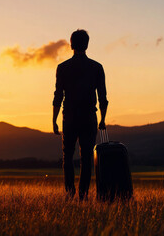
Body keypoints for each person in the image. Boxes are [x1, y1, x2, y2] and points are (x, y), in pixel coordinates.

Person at [52, 29, 108, 201]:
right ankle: (83, 195)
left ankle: (70, 194)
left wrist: (53, 120)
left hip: (69, 118)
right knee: (87, 158)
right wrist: (102, 120)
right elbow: (103, 98)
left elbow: (58, 96)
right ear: (87, 45)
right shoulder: (97, 67)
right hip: (89, 118)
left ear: (71, 45)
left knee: (67, 156)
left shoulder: (62, 68)